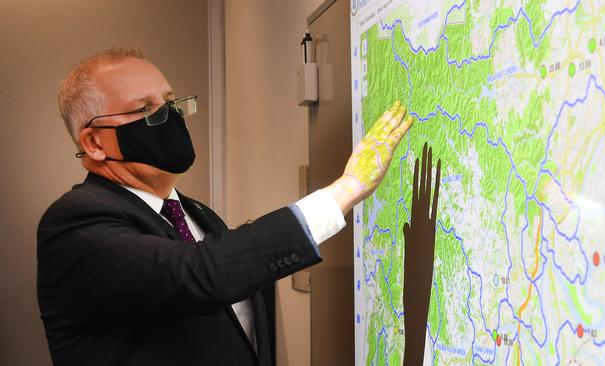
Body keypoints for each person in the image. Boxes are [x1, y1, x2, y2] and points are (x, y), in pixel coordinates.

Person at [37, 47, 412, 366]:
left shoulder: (197, 215)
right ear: (95, 143)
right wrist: (347, 189)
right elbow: (198, 276)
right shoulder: (75, 225)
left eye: (170, 102)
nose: (171, 118)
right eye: (147, 111)